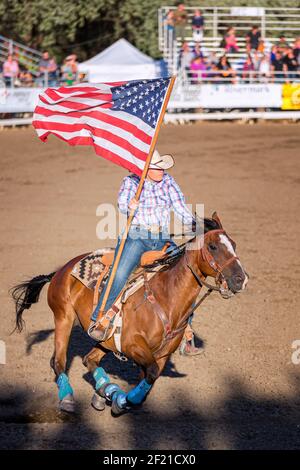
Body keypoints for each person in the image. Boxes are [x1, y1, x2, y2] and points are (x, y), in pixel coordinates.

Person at [88, 150, 201, 356]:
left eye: (162, 167)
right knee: (120, 274)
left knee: (188, 275)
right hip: (137, 236)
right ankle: (100, 318)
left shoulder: (168, 181)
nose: (162, 170)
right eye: (157, 167)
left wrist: (196, 224)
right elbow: (122, 204)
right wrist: (129, 206)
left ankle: (185, 331)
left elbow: (180, 207)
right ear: (146, 169)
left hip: (162, 238)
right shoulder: (131, 182)